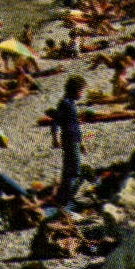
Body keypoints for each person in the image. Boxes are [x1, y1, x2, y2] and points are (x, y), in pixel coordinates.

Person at [49, 75, 87, 206]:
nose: (82, 94)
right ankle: (66, 199)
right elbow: (55, 122)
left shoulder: (70, 103)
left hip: (74, 139)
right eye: (82, 91)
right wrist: (55, 138)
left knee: (68, 170)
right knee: (75, 170)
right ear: (75, 90)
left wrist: (81, 143)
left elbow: (76, 125)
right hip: (69, 140)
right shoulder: (65, 103)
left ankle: (62, 196)